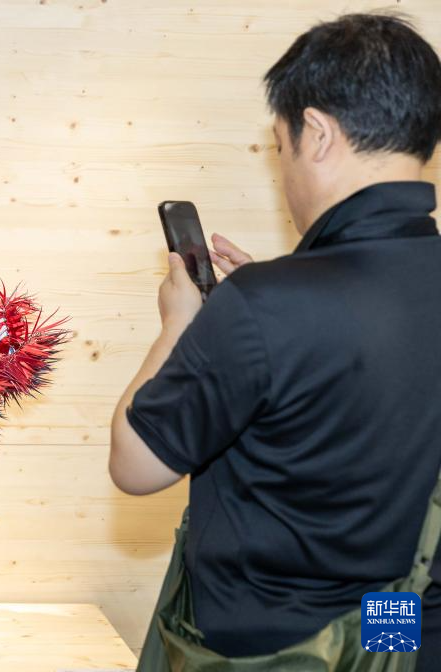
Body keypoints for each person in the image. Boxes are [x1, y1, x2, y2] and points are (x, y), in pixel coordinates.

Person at [108, 12, 441, 667]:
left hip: (283, 651)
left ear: (316, 133)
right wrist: (272, 309)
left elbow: (135, 465)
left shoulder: (267, 306)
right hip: (406, 635)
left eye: (280, 147)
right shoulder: (278, 303)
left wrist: (182, 325)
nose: (284, 169)